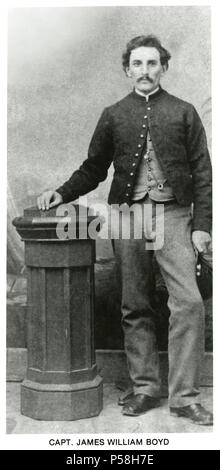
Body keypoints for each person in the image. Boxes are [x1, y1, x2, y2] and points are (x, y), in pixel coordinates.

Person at [37, 35, 212, 425]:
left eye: (153, 64)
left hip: (175, 215)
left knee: (189, 303)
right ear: (127, 69)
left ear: (163, 68)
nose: (145, 71)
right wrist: (62, 192)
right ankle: (146, 388)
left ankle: (184, 396)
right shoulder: (114, 114)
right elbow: (94, 168)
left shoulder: (183, 112)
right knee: (135, 303)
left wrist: (202, 227)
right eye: (138, 64)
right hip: (126, 215)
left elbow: (203, 172)